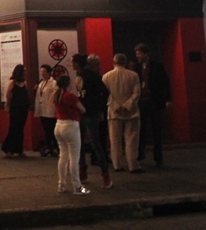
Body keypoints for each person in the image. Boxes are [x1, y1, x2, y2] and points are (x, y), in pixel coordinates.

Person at [132, 42, 171, 167]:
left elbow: (166, 83)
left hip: (155, 101)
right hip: (142, 102)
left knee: (157, 130)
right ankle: (141, 152)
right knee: (140, 129)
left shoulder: (157, 66)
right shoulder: (136, 68)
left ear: (146, 54)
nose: (137, 56)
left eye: (139, 53)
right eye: (137, 53)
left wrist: (168, 99)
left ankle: (158, 157)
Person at [73, 53, 110, 185]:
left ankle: (105, 174)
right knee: (80, 144)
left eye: (73, 62)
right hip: (82, 113)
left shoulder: (92, 76)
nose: (71, 64)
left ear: (78, 64)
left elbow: (105, 92)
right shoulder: (79, 75)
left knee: (95, 143)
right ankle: (83, 170)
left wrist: (99, 108)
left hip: (90, 113)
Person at [102, 52, 141, 176]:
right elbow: (136, 94)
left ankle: (117, 164)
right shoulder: (133, 75)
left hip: (114, 113)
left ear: (114, 62)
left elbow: (106, 94)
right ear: (125, 62)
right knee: (132, 139)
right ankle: (132, 165)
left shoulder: (106, 76)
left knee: (115, 140)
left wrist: (116, 107)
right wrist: (127, 106)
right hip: (132, 113)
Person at [53, 75, 90, 195]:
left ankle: (61, 185)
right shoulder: (70, 96)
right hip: (70, 125)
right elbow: (83, 109)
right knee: (74, 158)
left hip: (58, 125)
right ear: (68, 84)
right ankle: (77, 186)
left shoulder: (57, 95)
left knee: (63, 156)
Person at [2, 64, 30, 157]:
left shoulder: (24, 83)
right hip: (15, 107)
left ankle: (19, 149)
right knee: (13, 127)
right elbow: (8, 94)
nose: (25, 73)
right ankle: (9, 148)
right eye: (24, 71)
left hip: (24, 107)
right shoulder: (12, 82)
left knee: (21, 128)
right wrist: (9, 104)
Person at [34, 64, 59, 157]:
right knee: (46, 130)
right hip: (42, 109)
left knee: (52, 129)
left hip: (50, 110)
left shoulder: (53, 83)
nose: (42, 74)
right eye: (41, 72)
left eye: (44, 72)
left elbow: (56, 95)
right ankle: (49, 147)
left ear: (49, 72)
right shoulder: (41, 82)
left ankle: (55, 147)